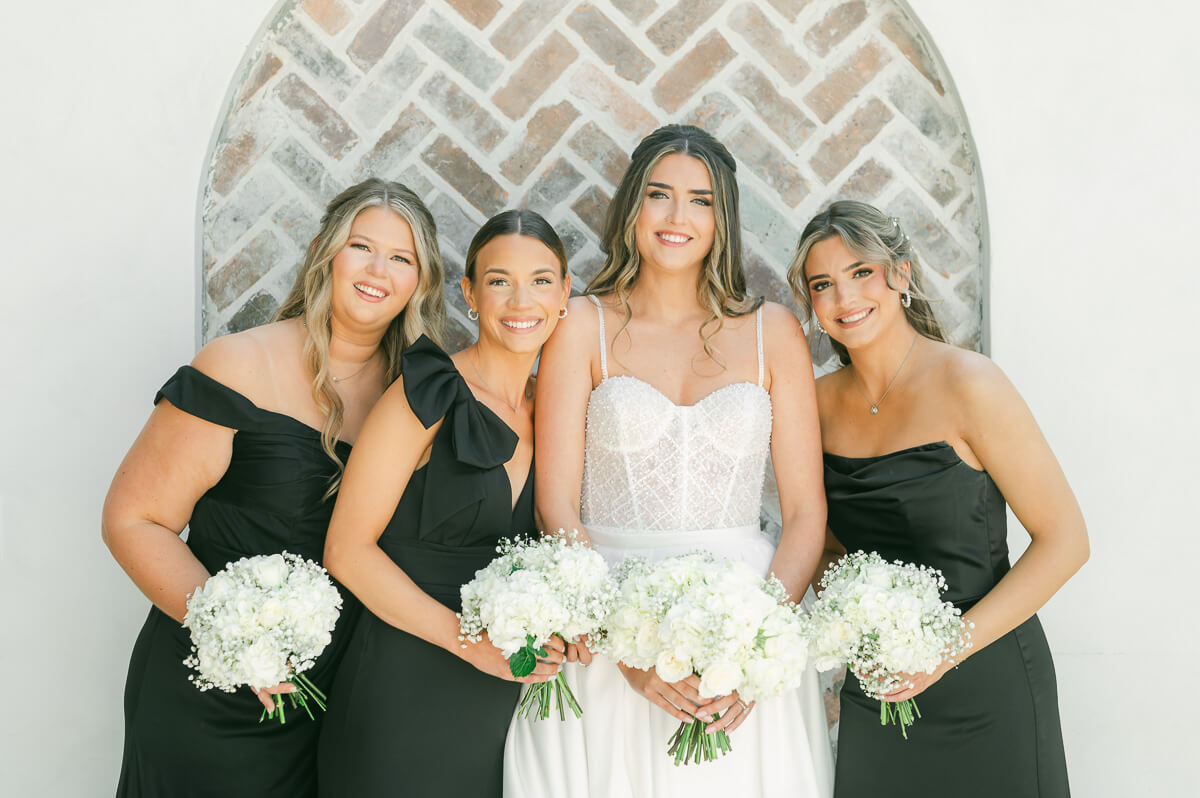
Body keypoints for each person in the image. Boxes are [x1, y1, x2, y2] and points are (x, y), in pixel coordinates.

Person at [504, 124, 834, 797]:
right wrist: (622, 646)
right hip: (607, 615)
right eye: (659, 195)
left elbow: (805, 513)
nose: (678, 217)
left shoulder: (773, 332)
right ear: (632, 209)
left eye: (701, 201)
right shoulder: (580, 325)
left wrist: (757, 649)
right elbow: (555, 504)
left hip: (743, 618)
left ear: (723, 219)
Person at [102, 178, 447, 797]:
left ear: (421, 281)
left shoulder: (416, 399)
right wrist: (241, 643)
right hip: (210, 691)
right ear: (323, 251)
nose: (378, 270)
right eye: (361, 247)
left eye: (401, 258)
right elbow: (134, 520)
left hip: (337, 706)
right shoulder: (236, 366)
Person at [788, 200, 1088, 797]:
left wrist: (943, 653)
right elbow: (822, 548)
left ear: (900, 274)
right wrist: (859, 633)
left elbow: (1067, 542)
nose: (845, 297)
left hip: (988, 679)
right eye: (824, 285)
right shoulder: (812, 406)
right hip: (880, 687)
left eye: (860, 272)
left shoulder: (970, 383)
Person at [316, 210, 572, 798]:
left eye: (540, 280)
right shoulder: (427, 389)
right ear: (470, 295)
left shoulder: (556, 413)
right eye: (499, 279)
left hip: (503, 700)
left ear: (563, 297)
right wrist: (467, 642)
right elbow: (346, 549)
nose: (519, 299)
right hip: (402, 678)